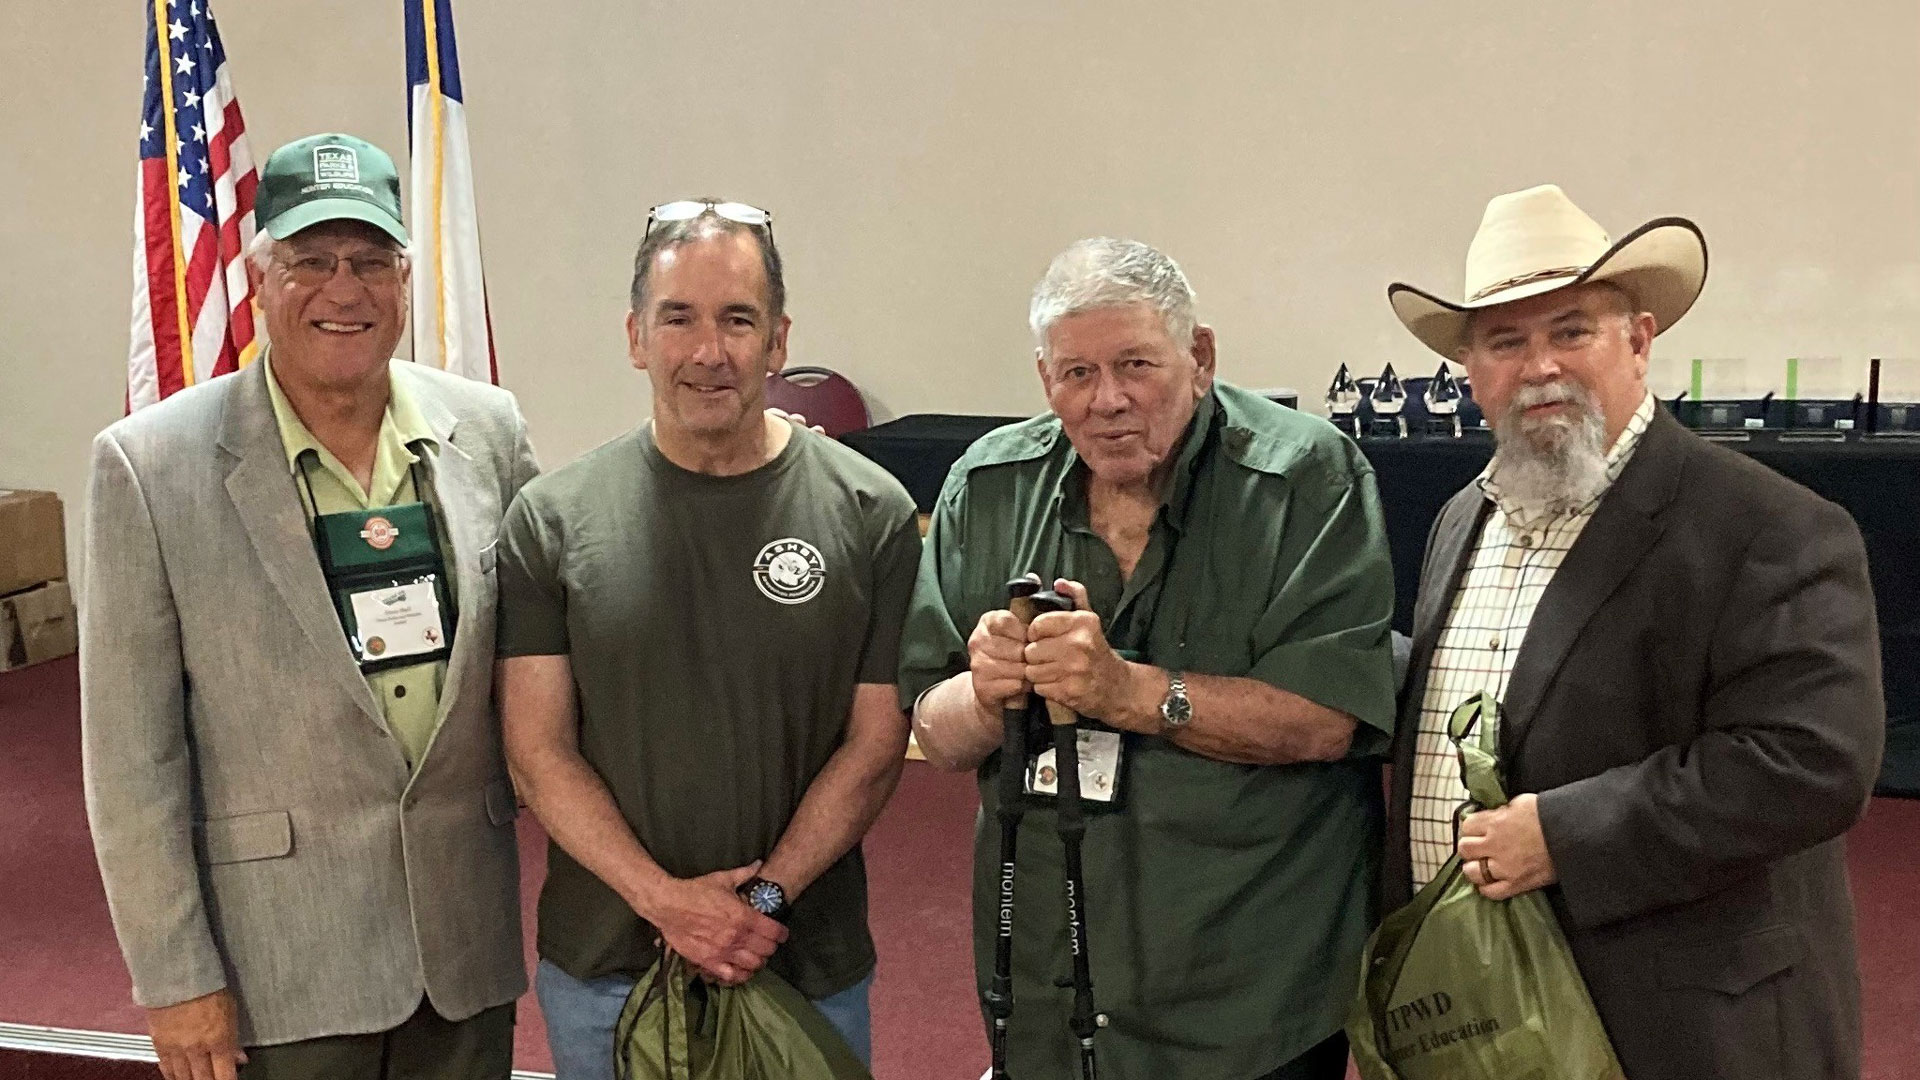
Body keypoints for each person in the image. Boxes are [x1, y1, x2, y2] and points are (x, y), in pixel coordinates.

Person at [1383, 184, 1884, 1079]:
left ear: (1639, 341)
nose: (1539, 366)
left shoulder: (1767, 526)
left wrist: (1567, 836)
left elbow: (1812, 763)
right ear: (1471, 369)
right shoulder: (1463, 517)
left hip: (1679, 1030)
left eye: (1570, 331)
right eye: (1506, 340)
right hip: (1486, 1020)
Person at [82, 133, 537, 1080]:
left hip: (464, 951)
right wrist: (174, 978)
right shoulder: (150, 466)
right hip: (275, 968)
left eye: (372, 261)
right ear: (258, 278)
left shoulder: (487, 431)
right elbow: (132, 758)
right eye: (310, 261)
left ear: (407, 279)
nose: (345, 290)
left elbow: (553, 655)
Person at [900, 237, 1398, 1080]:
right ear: (1044, 379)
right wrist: (988, 694)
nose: (1109, 400)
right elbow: (935, 734)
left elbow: (1325, 721)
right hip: (1043, 985)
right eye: (1077, 374)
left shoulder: (1304, 477)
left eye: (1136, 364)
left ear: (1199, 357)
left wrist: (1126, 690)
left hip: (1248, 995)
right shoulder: (988, 487)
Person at [494, 199, 920, 1077]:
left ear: (778, 339)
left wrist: (760, 902)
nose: (708, 351)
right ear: (636, 336)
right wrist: (666, 904)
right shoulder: (553, 521)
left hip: (803, 962)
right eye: (677, 318)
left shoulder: (869, 512)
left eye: (737, 320)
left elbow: (876, 745)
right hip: (607, 966)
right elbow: (538, 752)